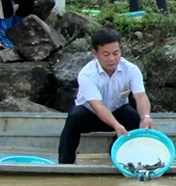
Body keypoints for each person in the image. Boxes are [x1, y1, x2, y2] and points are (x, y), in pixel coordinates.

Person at [58, 29, 154, 164]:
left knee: (133, 116)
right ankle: (65, 163)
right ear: (95, 54)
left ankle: (118, 155)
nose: (112, 59)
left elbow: (140, 96)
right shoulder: (87, 74)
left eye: (116, 53)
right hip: (90, 115)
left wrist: (146, 117)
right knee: (74, 116)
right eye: (106, 54)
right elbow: (97, 106)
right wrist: (115, 125)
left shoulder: (131, 69)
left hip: (117, 111)